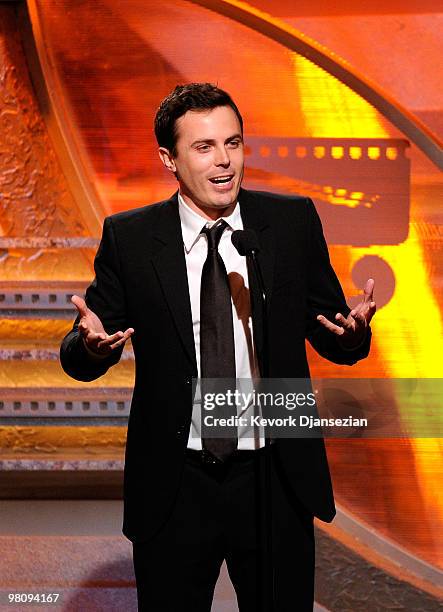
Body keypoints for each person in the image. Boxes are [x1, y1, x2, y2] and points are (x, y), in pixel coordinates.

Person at [60, 83, 376, 611]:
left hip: (275, 477)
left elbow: (331, 333)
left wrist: (354, 333)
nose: (224, 161)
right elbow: (83, 351)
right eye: (204, 147)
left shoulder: (290, 222)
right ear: (169, 159)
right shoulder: (132, 238)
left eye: (233, 143)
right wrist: (91, 346)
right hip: (176, 483)